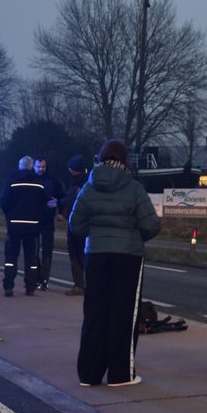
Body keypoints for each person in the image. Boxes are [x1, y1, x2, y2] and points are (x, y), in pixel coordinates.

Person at [69, 139, 161, 387]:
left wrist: (94, 234)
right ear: (125, 161)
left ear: (101, 158)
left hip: (96, 254)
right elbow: (152, 225)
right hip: (128, 256)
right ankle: (121, 374)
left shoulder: (89, 188)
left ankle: (89, 373)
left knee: (94, 311)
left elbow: (75, 224)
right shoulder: (134, 189)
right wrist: (134, 235)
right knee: (124, 313)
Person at [0, 156, 45, 297]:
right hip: (32, 227)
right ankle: (30, 287)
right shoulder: (39, 184)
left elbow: (3, 201)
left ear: (20, 166)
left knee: (11, 257)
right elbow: (43, 204)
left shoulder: (12, 182)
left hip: (14, 226)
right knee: (31, 258)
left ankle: (8, 286)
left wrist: (10, 215)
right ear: (31, 167)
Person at [60, 154, 90, 296]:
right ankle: (83, 284)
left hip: (79, 225)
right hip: (81, 224)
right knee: (81, 255)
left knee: (78, 256)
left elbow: (71, 203)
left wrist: (63, 212)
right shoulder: (87, 183)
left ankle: (80, 285)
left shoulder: (80, 185)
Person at [33, 157, 65, 291]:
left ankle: (44, 280)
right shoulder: (30, 180)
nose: (41, 169)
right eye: (39, 167)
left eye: (43, 167)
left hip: (47, 220)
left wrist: (60, 210)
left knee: (47, 251)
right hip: (33, 220)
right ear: (34, 167)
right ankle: (35, 278)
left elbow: (62, 196)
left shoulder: (53, 181)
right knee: (33, 251)